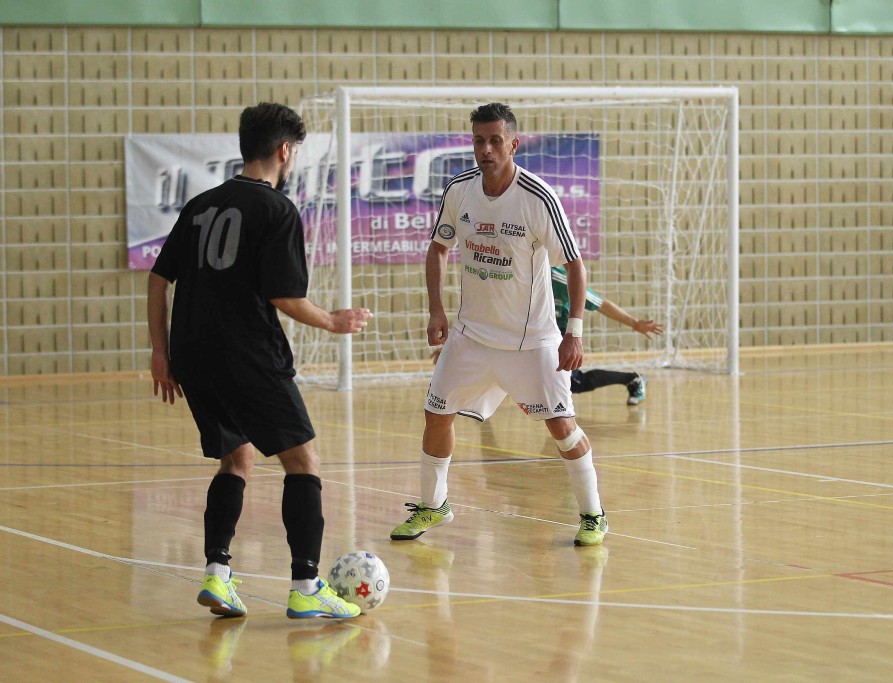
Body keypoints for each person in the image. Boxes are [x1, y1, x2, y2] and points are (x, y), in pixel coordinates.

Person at [148, 102, 373, 620]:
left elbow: (159, 278)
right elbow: (286, 298)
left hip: (191, 354)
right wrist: (334, 322)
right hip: (247, 353)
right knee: (303, 462)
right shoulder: (276, 210)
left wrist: (161, 351)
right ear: (284, 151)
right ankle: (307, 584)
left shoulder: (201, 204)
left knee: (238, 458)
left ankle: (218, 576)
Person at [389, 102, 608, 547]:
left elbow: (575, 265)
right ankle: (434, 505)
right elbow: (438, 249)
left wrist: (575, 331)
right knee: (435, 413)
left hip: (532, 342)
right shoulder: (459, 190)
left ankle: (593, 514)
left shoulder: (538, 197)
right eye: (478, 140)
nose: (485, 149)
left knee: (561, 427)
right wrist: (436, 309)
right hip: (472, 335)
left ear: (513, 143)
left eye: (494, 140)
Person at [550, 265, 664, 405]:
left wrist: (635, 324)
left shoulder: (559, 279)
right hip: (531, 331)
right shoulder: (519, 277)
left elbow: (601, 305)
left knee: (574, 382)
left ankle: (633, 379)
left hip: (560, 332)